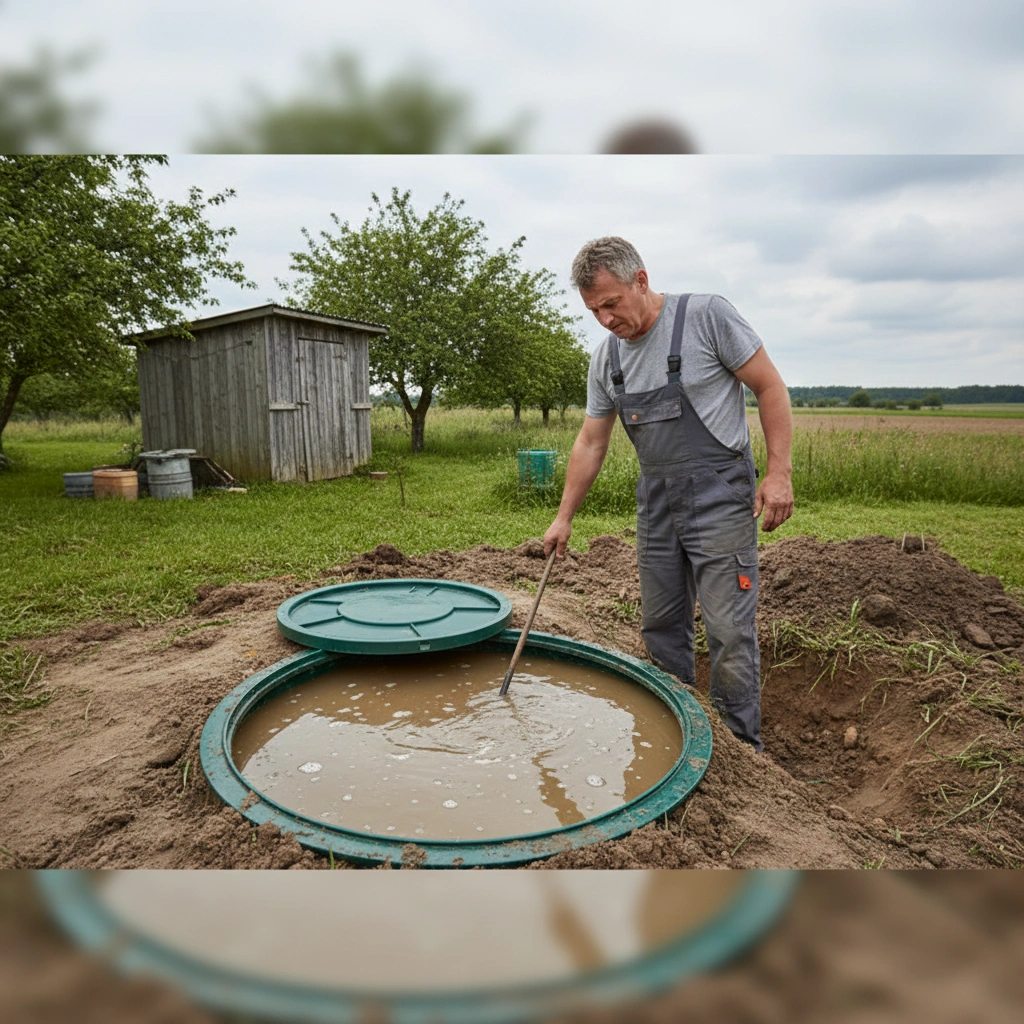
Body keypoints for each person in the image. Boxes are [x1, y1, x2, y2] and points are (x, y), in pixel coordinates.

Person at [543, 237, 794, 751]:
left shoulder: (706, 317)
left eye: (612, 304)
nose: (606, 320)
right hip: (657, 502)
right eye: (594, 311)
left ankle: (739, 751)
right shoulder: (607, 358)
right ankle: (673, 738)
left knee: (728, 630)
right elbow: (592, 440)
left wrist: (778, 473)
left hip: (721, 495)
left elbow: (770, 386)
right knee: (660, 625)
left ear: (641, 280)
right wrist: (564, 517)